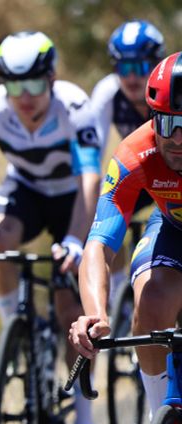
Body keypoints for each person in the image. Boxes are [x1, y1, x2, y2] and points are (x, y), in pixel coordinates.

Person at [0, 30, 103, 424]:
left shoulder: (75, 106)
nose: (24, 98)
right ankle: (13, 326)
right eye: (14, 86)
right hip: (25, 191)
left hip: (71, 201)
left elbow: (89, 184)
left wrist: (78, 240)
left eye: (34, 86)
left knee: (70, 314)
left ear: (52, 78)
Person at [69, 52, 182, 424]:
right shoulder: (136, 152)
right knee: (150, 302)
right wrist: (94, 314)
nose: (176, 139)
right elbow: (98, 245)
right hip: (171, 230)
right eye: (166, 123)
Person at [90, 20, 166, 297]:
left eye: (140, 67)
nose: (132, 78)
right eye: (124, 68)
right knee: (101, 212)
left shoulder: (171, 89)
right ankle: (118, 291)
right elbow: (93, 152)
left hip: (171, 178)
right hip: (137, 173)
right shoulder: (107, 92)